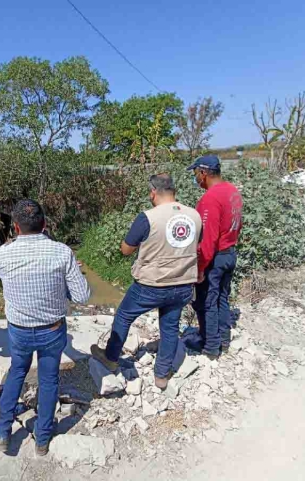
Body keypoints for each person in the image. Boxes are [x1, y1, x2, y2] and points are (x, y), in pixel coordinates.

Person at [0, 199, 90, 456]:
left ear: (15, 227)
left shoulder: (3, 253)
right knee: (48, 380)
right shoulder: (62, 252)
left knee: (16, 373)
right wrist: (72, 276)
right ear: (45, 224)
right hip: (52, 330)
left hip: (19, 330)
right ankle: (42, 440)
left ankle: (3, 433)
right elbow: (81, 297)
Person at [90, 173, 202, 390]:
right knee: (170, 327)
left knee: (123, 316)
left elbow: (125, 249)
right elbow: (196, 243)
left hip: (151, 285)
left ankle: (111, 357)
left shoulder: (148, 218)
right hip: (182, 284)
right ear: (174, 191)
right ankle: (161, 375)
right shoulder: (194, 216)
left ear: (153, 192)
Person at [187, 155, 243, 359]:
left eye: (195, 174)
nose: (196, 178)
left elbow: (208, 239)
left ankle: (210, 346)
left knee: (206, 300)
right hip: (230, 253)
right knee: (221, 297)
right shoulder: (232, 191)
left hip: (216, 258)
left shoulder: (210, 198)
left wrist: (200, 267)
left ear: (203, 173)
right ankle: (224, 339)